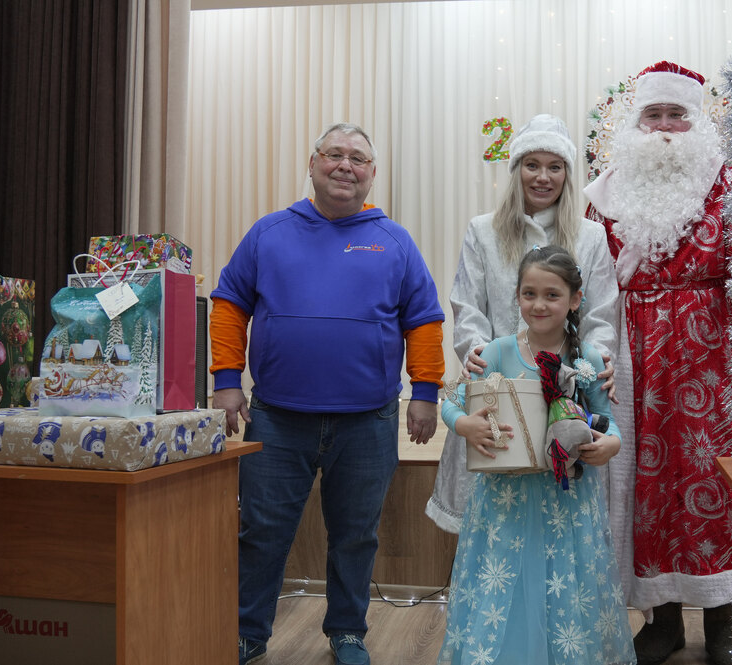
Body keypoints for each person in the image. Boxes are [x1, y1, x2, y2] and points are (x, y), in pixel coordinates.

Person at [210, 122, 446, 665]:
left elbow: (424, 319)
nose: (345, 165)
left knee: (356, 537)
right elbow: (229, 303)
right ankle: (248, 633)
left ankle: (347, 632)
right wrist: (226, 381)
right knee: (261, 533)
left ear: (373, 174)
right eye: (334, 154)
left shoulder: (394, 241)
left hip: (368, 420)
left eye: (357, 158)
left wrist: (425, 391)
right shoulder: (269, 233)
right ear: (312, 164)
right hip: (276, 417)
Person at [584, 61, 732, 665]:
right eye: (654, 114)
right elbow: (587, 275)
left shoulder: (731, 183)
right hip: (631, 353)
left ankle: (723, 618)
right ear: (635, 123)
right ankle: (661, 620)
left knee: (713, 476)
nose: (666, 126)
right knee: (640, 483)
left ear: (698, 121)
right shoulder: (604, 193)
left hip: (709, 354)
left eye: (677, 114)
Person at [437, 245, 635, 665]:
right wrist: (465, 424)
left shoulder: (588, 359)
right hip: (504, 502)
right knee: (506, 583)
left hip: (567, 504)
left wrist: (611, 445)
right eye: (529, 294)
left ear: (575, 300)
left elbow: (608, 422)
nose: (539, 304)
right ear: (517, 296)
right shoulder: (496, 352)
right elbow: (451, 402)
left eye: (552, 295)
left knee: (561, 588)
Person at [426, 113, 619, 533]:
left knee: (558, 518)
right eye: (532, 165)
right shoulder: (483, 231)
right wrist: (478, 352)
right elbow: (467, 304)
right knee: (494, 516)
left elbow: (601, 311)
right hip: (497, 388)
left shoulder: (590, 236)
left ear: (567, 174)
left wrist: (596, 360)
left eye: (555, 167)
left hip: (564, 391)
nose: (543, 177)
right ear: (516, 170)